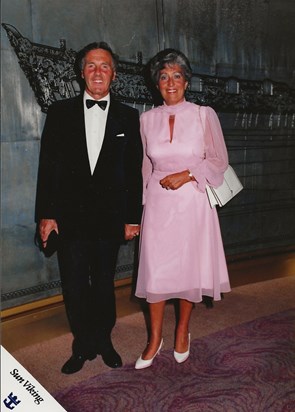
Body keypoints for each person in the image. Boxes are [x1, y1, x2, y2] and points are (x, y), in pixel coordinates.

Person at [35, 42, 143, 374]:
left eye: (105, 66)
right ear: (81, 72)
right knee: (76, 283)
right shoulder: (59, 112)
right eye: (92, 66)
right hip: (70, 218)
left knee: (105, 282)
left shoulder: (129, 115)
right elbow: (48, 168)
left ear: (114, 73)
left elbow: (133, 170)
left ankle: (103, 340)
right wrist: (46, 215)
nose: (98, 72)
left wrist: (131, 218)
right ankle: (82, 344)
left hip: (110, 219)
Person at [134, 49, 231, 369]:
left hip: (193, 200)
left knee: (189, 270)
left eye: (177, 75)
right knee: (157, 273)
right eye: (164, 77)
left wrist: (188, 174)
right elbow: (146, 168)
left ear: (187, 81)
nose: (170, 82)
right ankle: (154, 339)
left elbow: (219, 161)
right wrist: (140, 212)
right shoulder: (146, 120)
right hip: (159, 206)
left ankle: (182, 331)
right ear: (156, 84)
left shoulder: (204, 114)